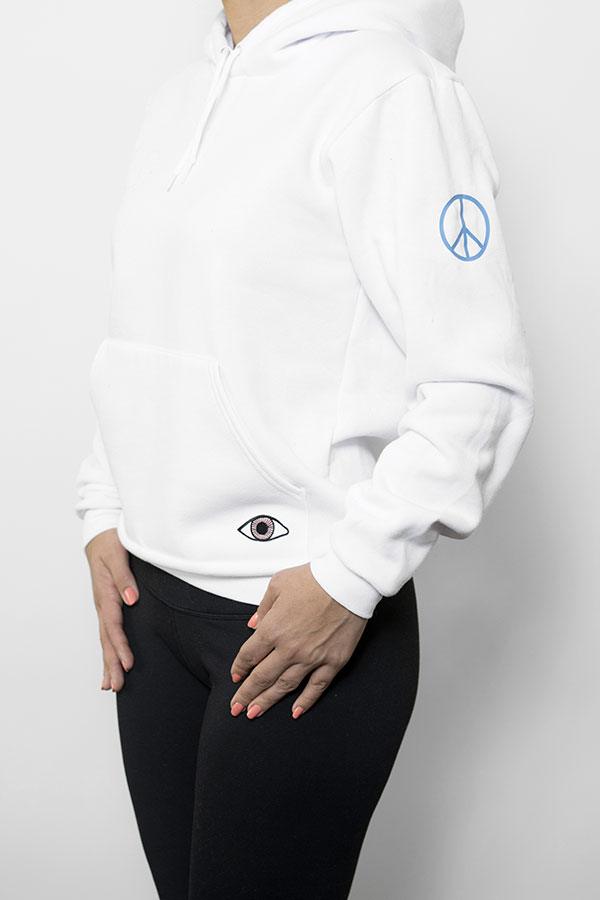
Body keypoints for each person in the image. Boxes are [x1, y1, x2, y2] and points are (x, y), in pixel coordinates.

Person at [75, 1, 535, 897]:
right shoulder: (178, 97)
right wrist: (105, 503)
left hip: (295, 616)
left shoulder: (393, 88)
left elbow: (478, 382)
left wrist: (353, 572)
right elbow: (150, 326)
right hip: (150, 608)